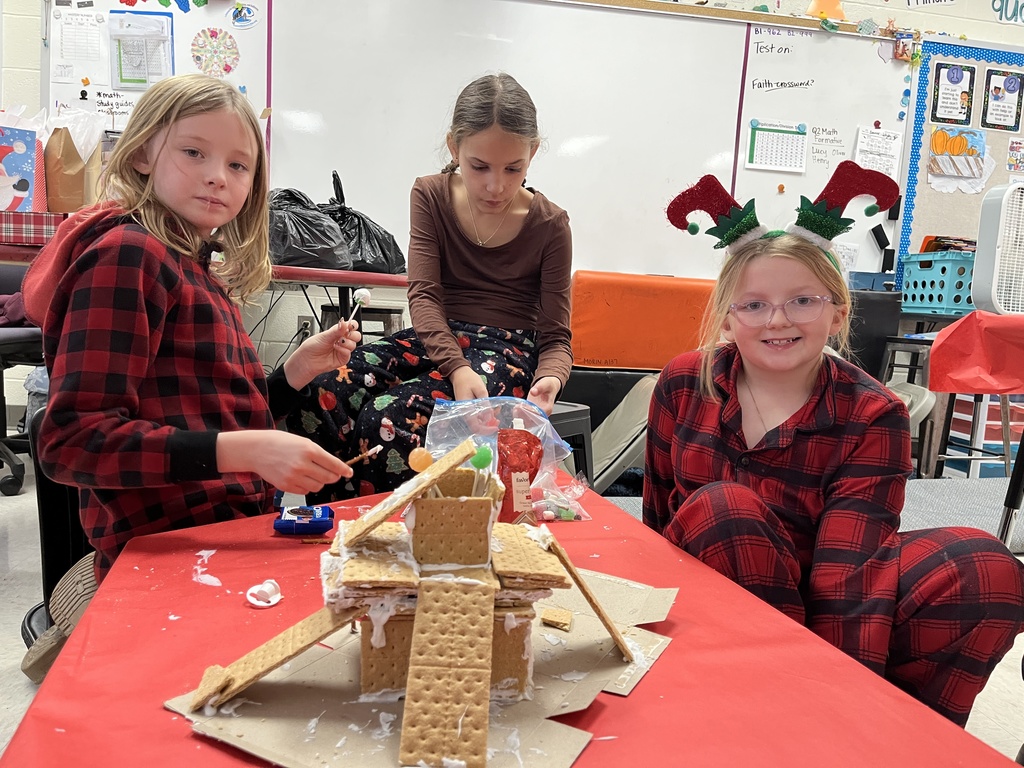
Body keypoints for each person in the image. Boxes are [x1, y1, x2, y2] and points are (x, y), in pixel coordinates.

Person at [647, 163, 1024, 727]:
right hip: (716, 592)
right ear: (727, 319)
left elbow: (851, 571)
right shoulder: (684, 382)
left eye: (803, 300)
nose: (777, 319)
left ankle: (896, 735)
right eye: (753, 304)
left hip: (821, 595)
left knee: (985, 567)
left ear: (838, 312)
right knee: (724, 510)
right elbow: (656, 523)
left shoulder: (874, 414)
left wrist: (840, 705)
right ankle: (766, 707)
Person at [20, 74, 361, 677]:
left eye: (238, 164)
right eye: (194, 152)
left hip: (222, 536)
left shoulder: (193, 269)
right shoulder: (130, 257)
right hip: (170, 558)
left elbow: (212, 413)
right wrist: (246, 450)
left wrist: (293, 375)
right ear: (145, 152)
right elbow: (70, 441)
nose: (217, 176)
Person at [287, 72, 572, 502]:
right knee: (323, 386)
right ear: (454, 147)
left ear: (532, 153)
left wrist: (551, 375)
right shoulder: (431, 194)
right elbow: (423, 296)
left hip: (506, 353)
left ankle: (402, 537)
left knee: (388, 420)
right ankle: (338, 522)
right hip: (436, 338)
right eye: (479, 167)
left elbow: (555, 337)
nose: (496, 186)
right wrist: (456, 367)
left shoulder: (550, 224)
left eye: (514, 168)